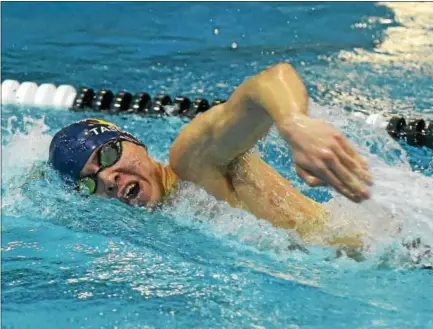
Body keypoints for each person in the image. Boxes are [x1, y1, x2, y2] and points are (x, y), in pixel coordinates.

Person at [49, 63, 373, 248]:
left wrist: (293, 123)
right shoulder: (168, 217)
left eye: (106, 156)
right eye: (88, 184)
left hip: (388, 252)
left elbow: (269, 81)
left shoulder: (190, 162)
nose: (107, 179)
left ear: (133, 141)